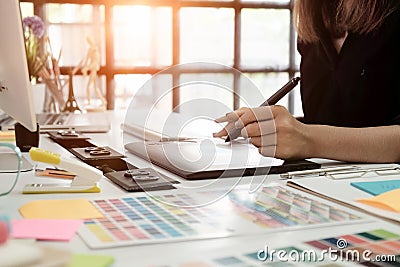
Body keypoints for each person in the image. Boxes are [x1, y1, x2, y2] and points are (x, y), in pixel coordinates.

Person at [214, 0, 400, 163]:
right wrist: (273, 127)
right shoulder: (315, 22)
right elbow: (335, 121)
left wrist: (307, 139)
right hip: (323, 184)